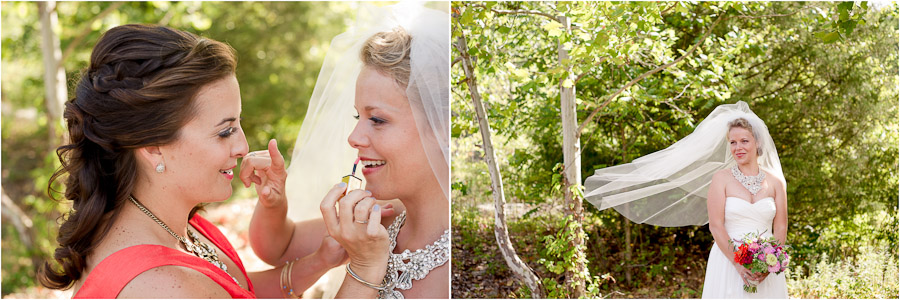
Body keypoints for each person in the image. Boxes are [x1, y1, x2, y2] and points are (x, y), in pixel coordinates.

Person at [37, 24, 345, 298]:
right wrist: (366, 271)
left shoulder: (168, 221)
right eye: (225, 132)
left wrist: (322, 260)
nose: (243, 146)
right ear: (153, 147)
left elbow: (233, 289)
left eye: (239, 124)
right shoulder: (161, 286)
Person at [242, 3, 450, 298]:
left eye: (377, 119)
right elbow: (280, 248)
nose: (353, 138)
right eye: (357, 117)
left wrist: (365, 266)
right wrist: (273, 204)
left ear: (442, 126)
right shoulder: (380, 218)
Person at [583, 101, 788, 297]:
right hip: (729, 262)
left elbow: (780, 228)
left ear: (758, 142)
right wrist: (737, 263)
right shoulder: (721, 179)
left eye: (744, 141)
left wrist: (769, 265)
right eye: (733, 142)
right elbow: (716, 226)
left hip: (765, 267)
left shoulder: (775, 183)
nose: (738, 147)